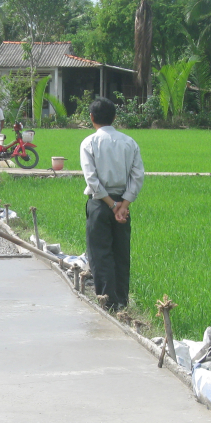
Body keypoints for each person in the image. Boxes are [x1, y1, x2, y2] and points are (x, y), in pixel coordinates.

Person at [80, 97, 145, 311]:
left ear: (91, 118)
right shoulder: (129, 142)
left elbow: (92, 180)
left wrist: (111, 204)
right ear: (115, 117)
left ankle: (107, 303)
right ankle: (121, 302)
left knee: (100, 254)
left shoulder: (89, 143)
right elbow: (137, 177)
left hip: (100, 204)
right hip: (122, 206)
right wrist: (123, 205)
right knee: (120, 253)